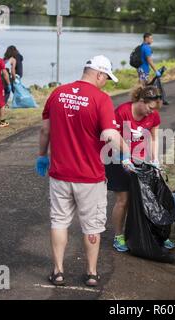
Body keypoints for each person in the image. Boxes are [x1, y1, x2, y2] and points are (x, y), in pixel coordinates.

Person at [36, 55, 134, 287]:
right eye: (106, 78)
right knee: (91, 226)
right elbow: (110, 135)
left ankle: (58, 271)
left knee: (59, 221)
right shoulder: (101, 99)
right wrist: (127, 152)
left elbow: (44, 131)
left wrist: (42, 156)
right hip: (90, 177)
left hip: (60, 174)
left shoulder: (57, 94)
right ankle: (91, 273)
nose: (106, 82)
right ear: (99, 74)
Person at [105, 85, 175, 252]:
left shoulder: (154, 115)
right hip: (117, 159)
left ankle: (156, 235)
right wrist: (124, 157)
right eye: (149, 108)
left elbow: (154, 138)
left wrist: (155, 160)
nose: (151, 113)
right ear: (141, 101)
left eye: (154, 110)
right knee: (124, 200)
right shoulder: (122, 112)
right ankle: (119, 236)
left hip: (140, 159)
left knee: (149, 199)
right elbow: (110, 136)